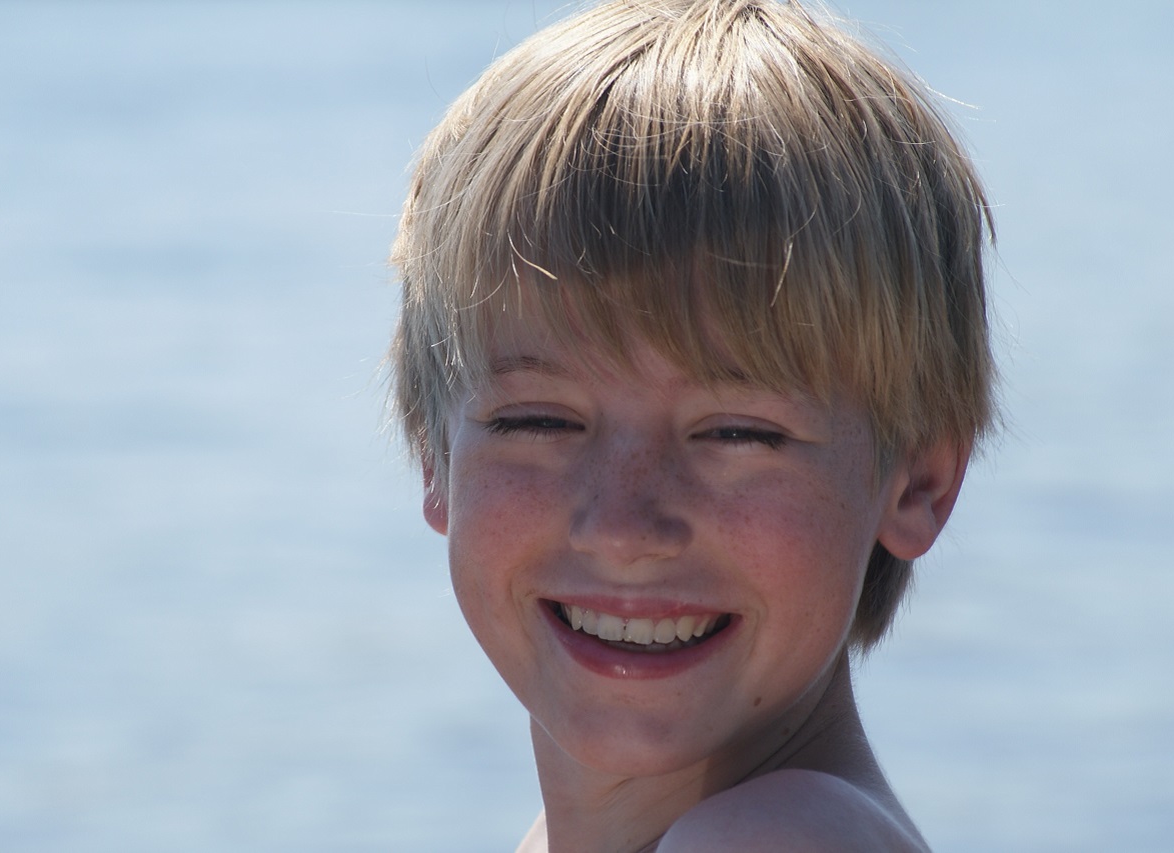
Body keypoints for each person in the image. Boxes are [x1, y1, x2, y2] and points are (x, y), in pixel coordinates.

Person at [388, 0, 995, 849]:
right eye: (538, 420)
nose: (625, 527)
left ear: (920, 480)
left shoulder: (771, 838)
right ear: (432, 452)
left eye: (737, 433)